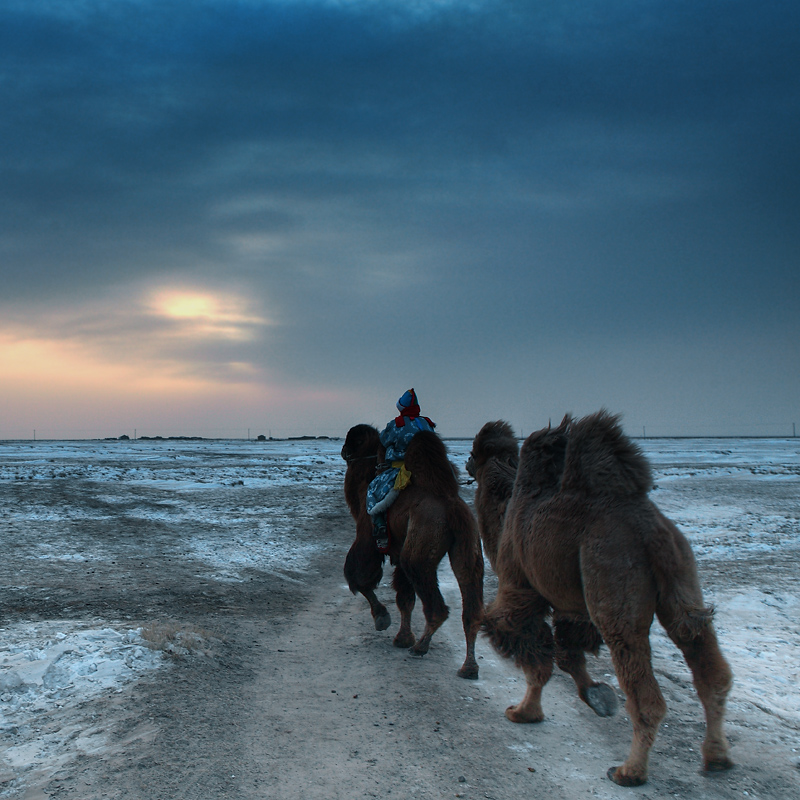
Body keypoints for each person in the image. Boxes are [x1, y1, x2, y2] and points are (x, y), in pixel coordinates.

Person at [367, 389, 436, 551]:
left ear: (401, 408)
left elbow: (383, 441)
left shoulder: (397, 424)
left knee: (373, 490)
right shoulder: (426, 423)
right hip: (427, 470)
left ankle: (380, 528)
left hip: (400, 470)